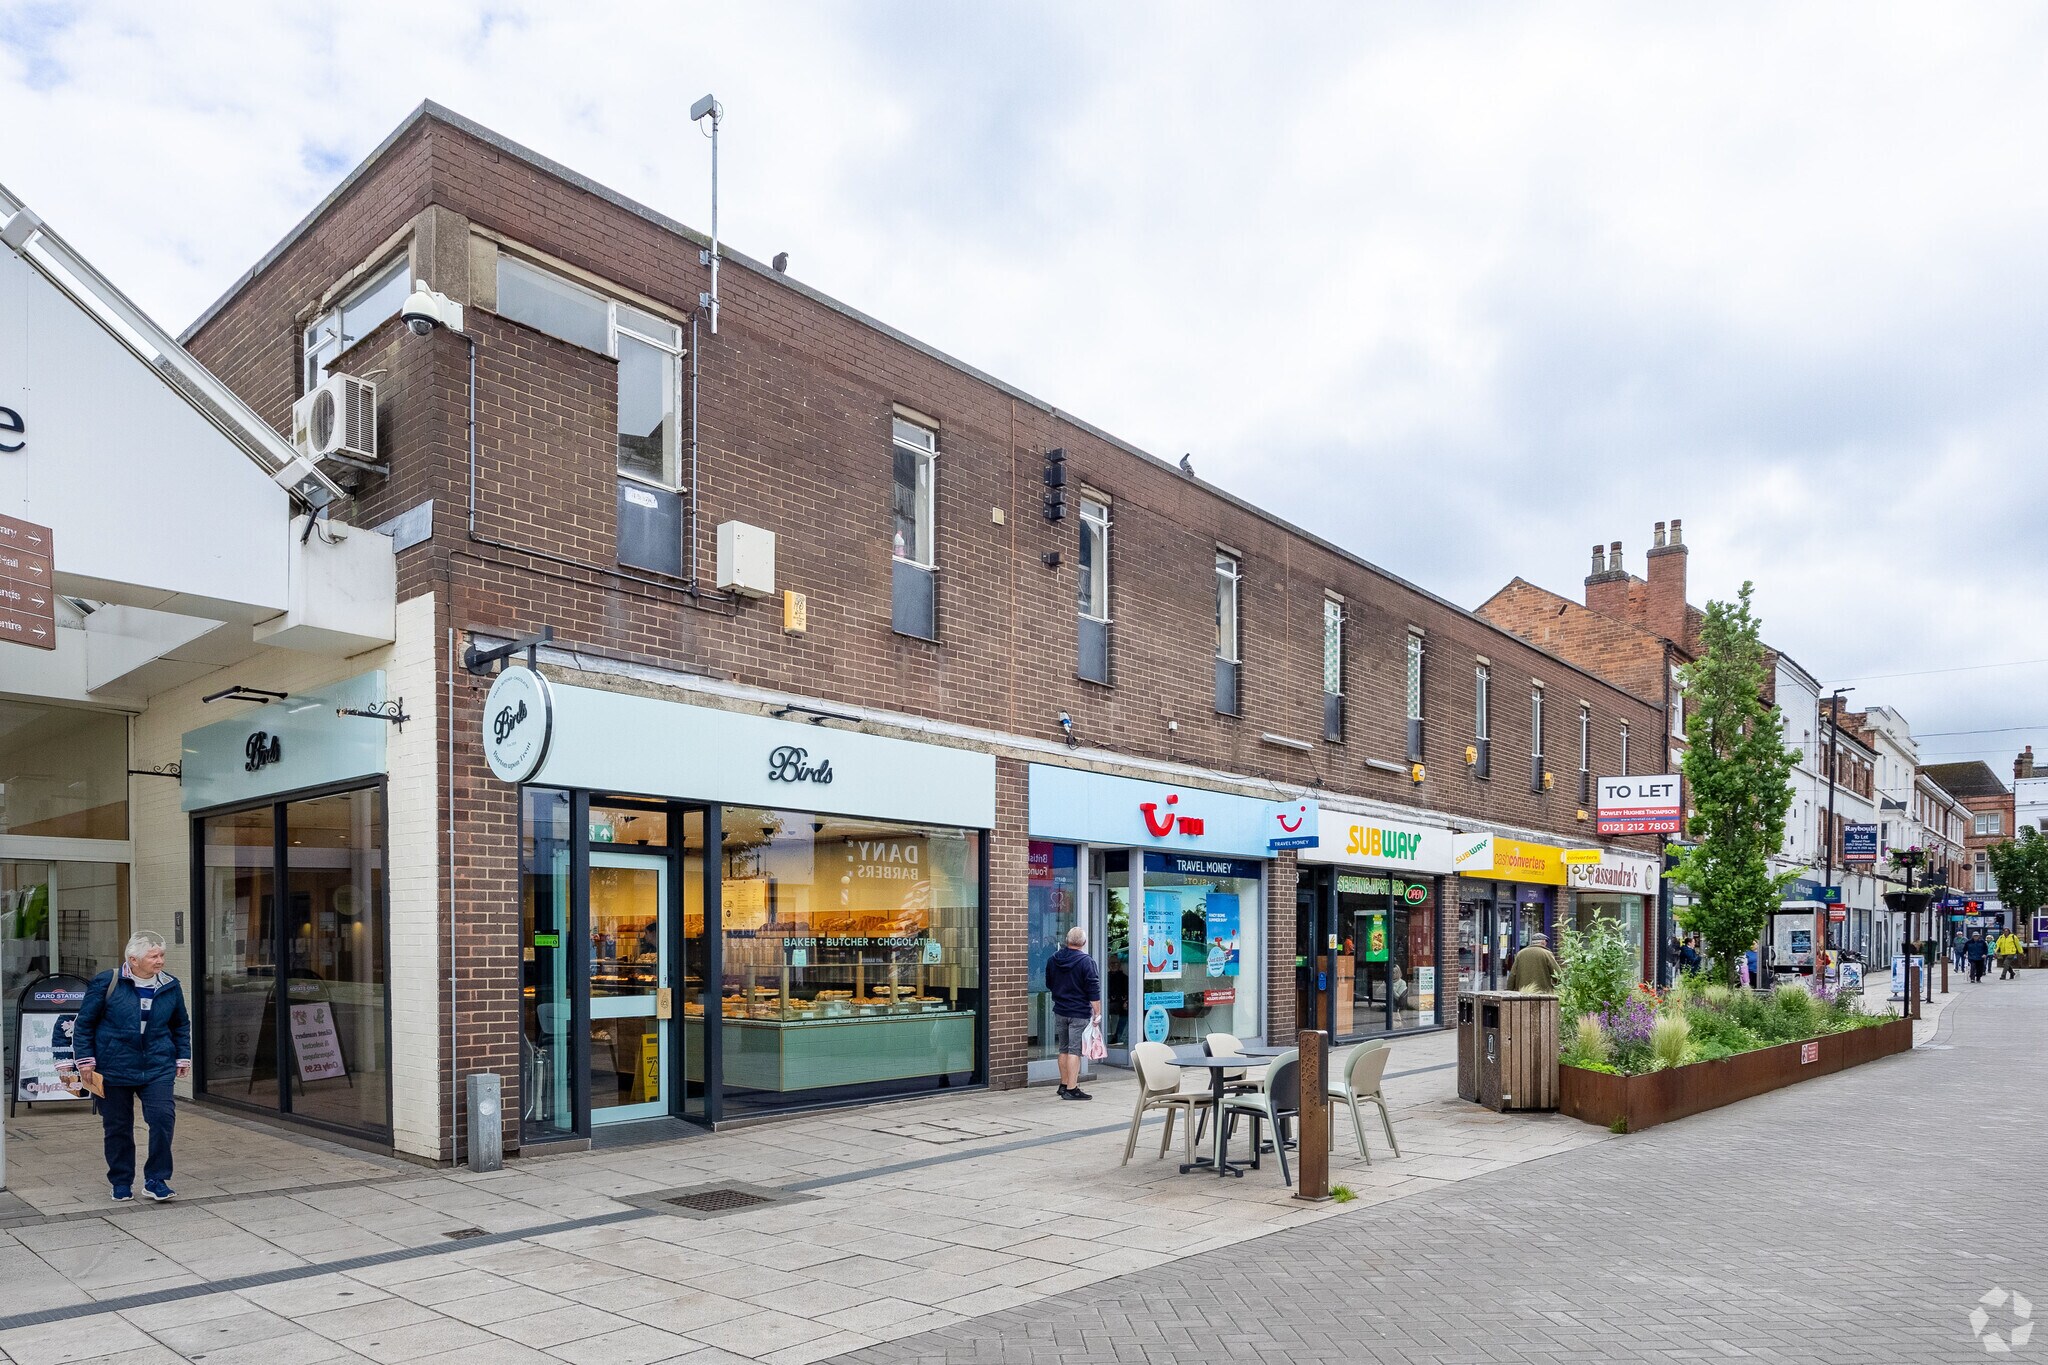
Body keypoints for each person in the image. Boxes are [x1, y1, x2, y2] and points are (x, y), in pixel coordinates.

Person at [71, 931, 190, 1203]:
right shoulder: (108, 981)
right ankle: (121, 1180)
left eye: (162, 955)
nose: (160, 960)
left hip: (157, 1065)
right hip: (114, 1066)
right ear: (133, 960)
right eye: (154, 956)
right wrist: (86, 1060)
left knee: (162, 1119)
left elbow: (180, 1024)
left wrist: (183, 1056)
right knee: (118, 1126)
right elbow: (85, 1023)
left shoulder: (170, 984)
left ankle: (156, 1179)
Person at [1044, 926, 1101, 1101]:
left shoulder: (1054, 959)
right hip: (1079, 1012)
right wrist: (1097, 1013)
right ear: (1083, 942)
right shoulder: (1087, 962)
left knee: (1063, 1048)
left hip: (1060, 1010)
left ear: (1067, 941)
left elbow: (1049, 983)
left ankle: (1063, 1084)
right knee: (1074, 1051)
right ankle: (1072, 1088)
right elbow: (1093, 989)